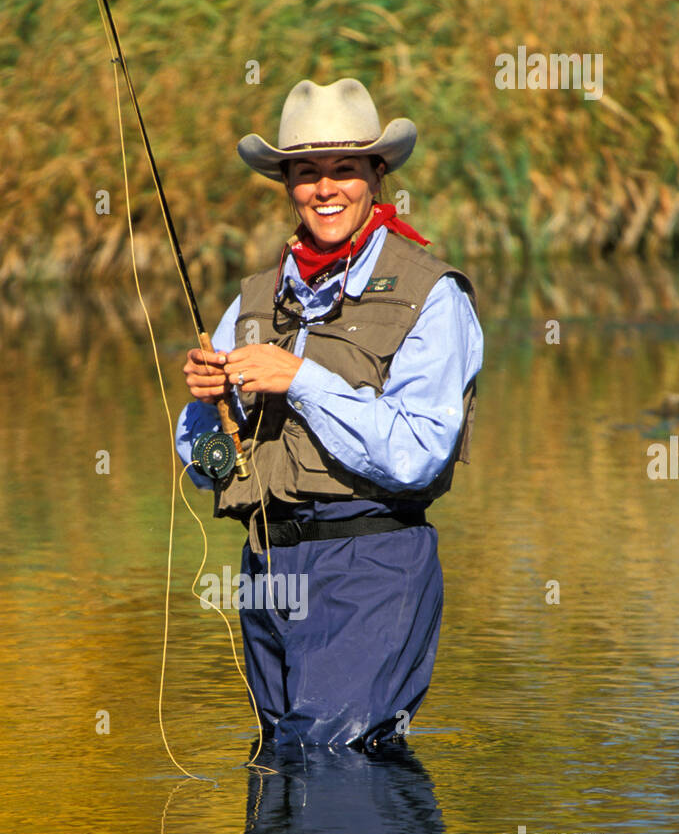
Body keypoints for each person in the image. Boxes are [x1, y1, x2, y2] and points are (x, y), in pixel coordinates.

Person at [176, 78, 483, 750]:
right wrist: (208, 411)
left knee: (326, 767)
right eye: (307, 172)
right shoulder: (255, 298)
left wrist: (301, 380)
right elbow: (204, 467)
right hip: (266, 572)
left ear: (378, 175)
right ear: (286, 184)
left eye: (345, 168)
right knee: (282, 787)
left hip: (372, 564)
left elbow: (417, 452)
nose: (326, 188)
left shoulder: (433, 295)